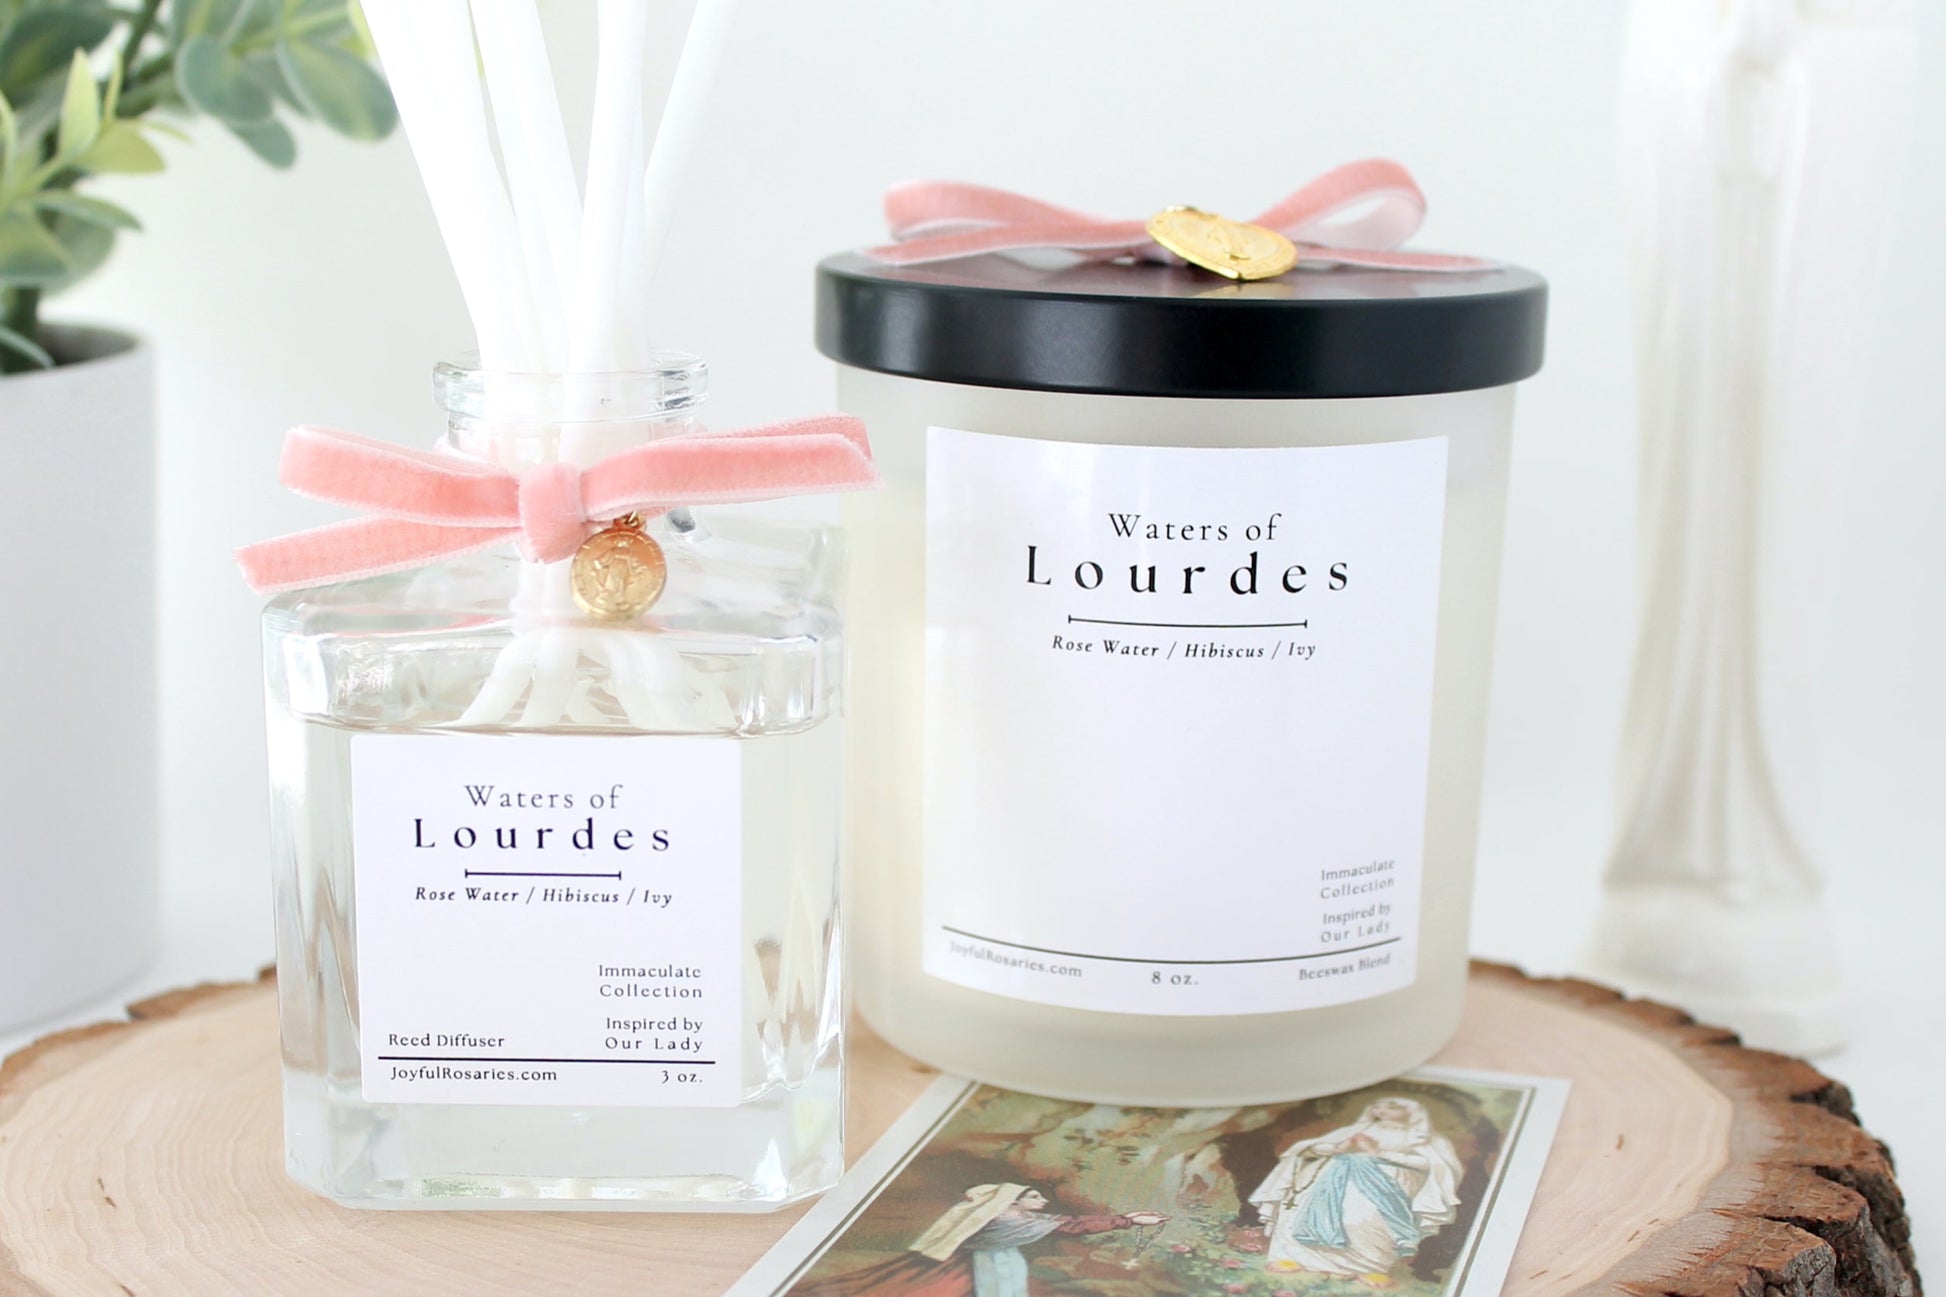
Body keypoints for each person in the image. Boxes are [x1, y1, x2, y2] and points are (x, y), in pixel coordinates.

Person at [800, 1183, 1168, 1297]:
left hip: (994, 1260)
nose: (1041, 1202)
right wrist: (1127, 1220)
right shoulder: (1003, 1219)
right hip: (970, 1265)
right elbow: (1073, 1226)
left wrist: (1130, 1219)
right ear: (1014, 1200)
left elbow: (1071, 1223)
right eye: (1034, 1197)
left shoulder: (1021, 1219)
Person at [1245, 1097, 1463, 1287]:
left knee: (1364, 1218)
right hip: (1333, 1176)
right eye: (1378, 1107)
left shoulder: (1421, 1137)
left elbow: (1428, 1164)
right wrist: (1337, 1148)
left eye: (1391, 1107)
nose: (1383, 1112)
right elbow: (1311, 1148)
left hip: (1385, 1184)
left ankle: (1368, 1267)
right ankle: (1294, 1257)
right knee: (1301, 1209)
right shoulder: (1359, 1129)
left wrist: (1378, 1152)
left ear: (1410, 1110)